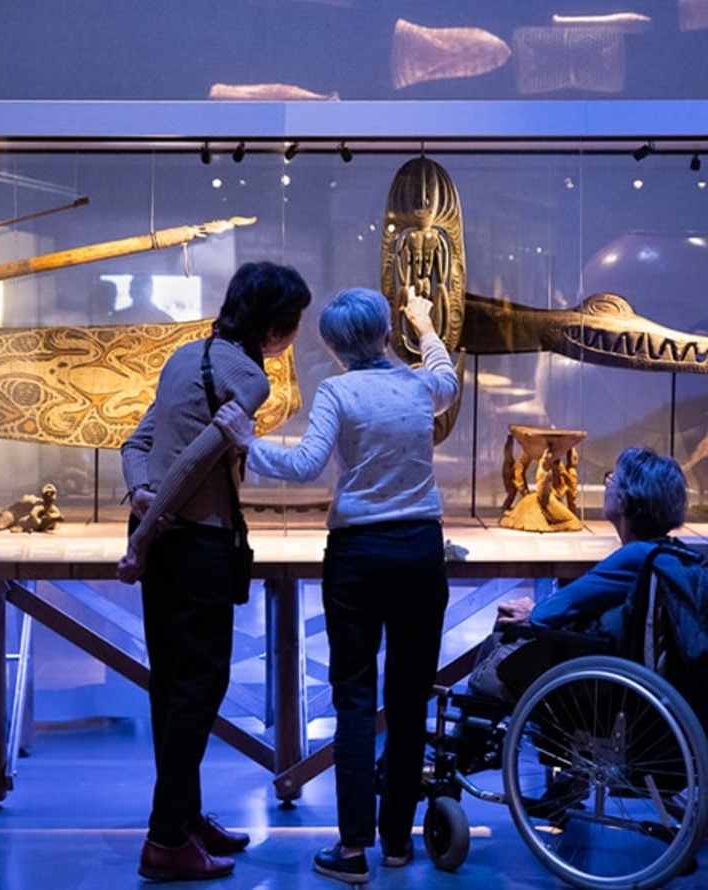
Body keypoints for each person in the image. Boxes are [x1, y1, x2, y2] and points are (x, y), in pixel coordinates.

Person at [213, 287, 460, 884]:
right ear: (382, 334)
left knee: (354, 700)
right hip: (421, 551)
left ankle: (353, 852)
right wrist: (424, 323)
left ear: (333, 344)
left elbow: (302, 466)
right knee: (409, 700)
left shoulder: (339, 391)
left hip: (359, 556)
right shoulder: (419, 386)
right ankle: (398, 839)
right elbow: (447, 376)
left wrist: (247, 443)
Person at [116, 261, 312, 882]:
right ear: (277, 325)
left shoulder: (185, 355)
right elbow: (197, 466)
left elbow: (136, 445)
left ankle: (184, 816)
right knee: (198, 689)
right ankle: (167, 840)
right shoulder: (250, 380)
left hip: (165, 535)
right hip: (193, 543)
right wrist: (143, 538)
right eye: (294, 322)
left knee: (172, 688)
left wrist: (142, 499)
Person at [466, 446, 689, 701]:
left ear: (625, 500)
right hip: (616, 668)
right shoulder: (669, 552)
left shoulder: (635, 556)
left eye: (611, 480)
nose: (607, 486)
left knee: (501, 636)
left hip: (593, 676)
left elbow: (560, 606)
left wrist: (534, 610)